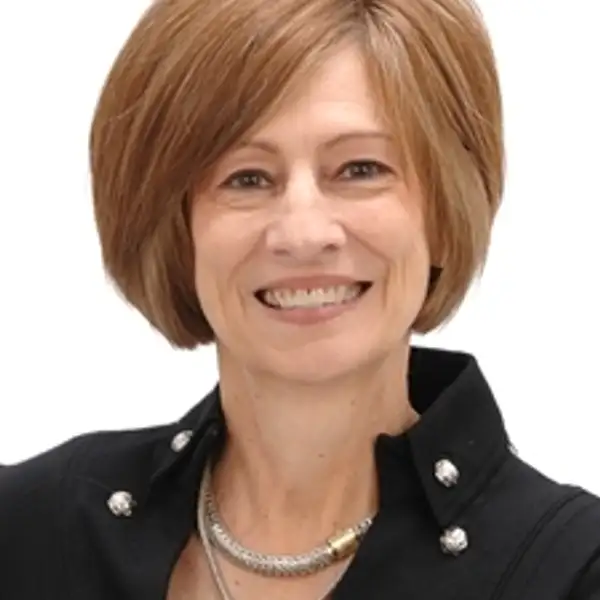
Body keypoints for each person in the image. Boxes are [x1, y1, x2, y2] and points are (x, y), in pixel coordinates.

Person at [1, 0, 600, 598]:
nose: (304, 234)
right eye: (247, 178)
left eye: (360, 169)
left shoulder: (570, 572)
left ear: (444, 210)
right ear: (176, 231)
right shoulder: (30, 533)